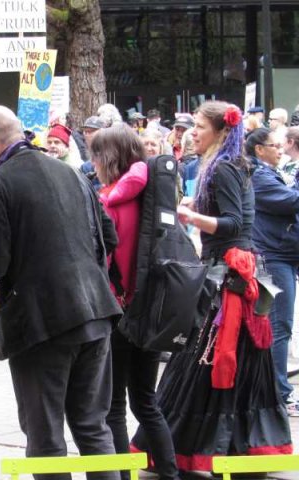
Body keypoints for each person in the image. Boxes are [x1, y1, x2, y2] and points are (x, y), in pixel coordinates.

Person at [133, 101, 292, 473]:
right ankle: (232, 449)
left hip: (229, 276)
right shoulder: (221, 165)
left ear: (221, 130)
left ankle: (190, 448)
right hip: (227, 273)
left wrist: (190, 215)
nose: (193, 133)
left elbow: (234, 224)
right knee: (219, 362)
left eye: (201, 127)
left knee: (204, 358)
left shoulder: (224, 168)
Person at [0, 105, 123, 480]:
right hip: (96, 313)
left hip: (42, 325)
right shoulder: (72, 172)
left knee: (45, 437)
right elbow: (109, 238)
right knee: (93, 426)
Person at [91, 124, 180, 480]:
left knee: (113, 408)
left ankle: (123, 477)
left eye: (95, 154)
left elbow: (103, 262)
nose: (92, 161)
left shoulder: (110, 201)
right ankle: (170, 475)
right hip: (151, 311)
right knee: (146, 402)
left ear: (108, 157)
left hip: (119, 313)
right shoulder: (152, 196)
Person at [246, 127, 299, 416]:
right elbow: (293, 201)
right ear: (259, 149)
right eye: (274, 146)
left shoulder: (267, 173)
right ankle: (280, 395)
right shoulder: (260, 177)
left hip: (282, 255)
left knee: (277, 327)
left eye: (282, 146)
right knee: (280, 327)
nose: (280, 150)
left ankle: (276, 392)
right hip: (274, 258)